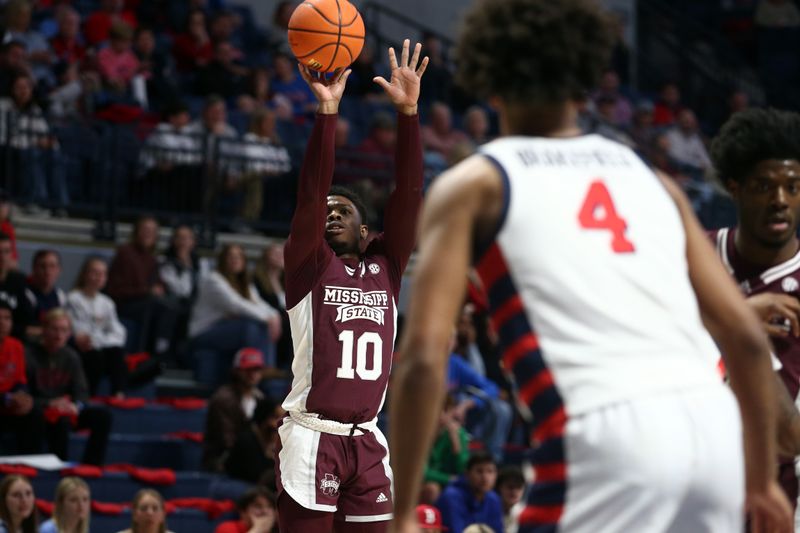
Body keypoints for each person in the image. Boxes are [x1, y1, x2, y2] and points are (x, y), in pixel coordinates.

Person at [388, 1, 792, 533]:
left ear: (488, 82)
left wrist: (402, 513)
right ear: (586, 86)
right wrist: (762, 482)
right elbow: (743, 335)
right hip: (714, 430)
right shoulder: (653, 178)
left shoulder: (476, 184)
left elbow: (422, 357)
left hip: (606, 436)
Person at [277, 39, 427, 531]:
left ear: (367, 233)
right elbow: (310, 192)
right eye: (326, 212)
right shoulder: (309, 267)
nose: (329, 213)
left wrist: (408, 114)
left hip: (366, 441)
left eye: (342, 210)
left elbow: (408, 194)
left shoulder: (387, 266)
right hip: (312, 438)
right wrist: (327, 110)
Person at [708, 107, 800, 521]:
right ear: (735, 188)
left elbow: (786, 437)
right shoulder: (695, 257)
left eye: (793, 187)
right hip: (696, 488)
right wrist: (738, 320)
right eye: (764, 186)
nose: (780, 200)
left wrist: (741, 338)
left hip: (779, 498)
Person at [27, 309, 112, 465]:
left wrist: (76, 406)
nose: (59, 335)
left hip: (65, 409)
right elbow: (23, 395)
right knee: (58, 420)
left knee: (103, 417)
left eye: (64, 330)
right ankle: (58, 465)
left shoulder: (71, 356)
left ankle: (91, 466)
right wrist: (49, 403)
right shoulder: (29, 354)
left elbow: (82, 392)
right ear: (44, 330)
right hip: (39, 409)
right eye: (55, 329)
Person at [189, 245, 280, 384]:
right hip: (204, 332)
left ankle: (264, 367)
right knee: (250, 327)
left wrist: (274, 316)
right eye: (230, 257)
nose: (235, 260)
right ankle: (258, 366)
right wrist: (268, 319)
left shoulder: (244, 283)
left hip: (226, 328)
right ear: (223, 260)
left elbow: (259, 303)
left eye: (238, 257)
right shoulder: (213, 279)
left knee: (258, 325)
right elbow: (236, 305)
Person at [106, 216, 177, 358]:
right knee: (152, 306)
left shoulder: (152, 258)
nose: (148, 234)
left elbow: (156, 282)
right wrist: (147, 291)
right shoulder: (125, 252)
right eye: (145, 230)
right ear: (136, 232)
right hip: (124, 303)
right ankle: (144, 355)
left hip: (144, 301)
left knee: (171, 304)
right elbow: (116, 290)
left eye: (152, 231)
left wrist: (160, 287)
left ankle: (162, 349)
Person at [66, 257, 127, 397]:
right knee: (95, 356)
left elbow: (119, 333)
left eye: (102, 273)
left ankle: (118, 394)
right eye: (94, 272)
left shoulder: (107, 303)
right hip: (81, 347)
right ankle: (88, 395)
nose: (98, 277)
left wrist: (101, 341)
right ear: (85, 274)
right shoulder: (73, 298)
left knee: (116, 352)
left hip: (99, 345)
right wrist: (99, 339)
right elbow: (79, 331)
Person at [202, 347, 268, 472]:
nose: (252, 374)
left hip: (251, 456)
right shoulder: (223, 399)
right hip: (222, 460)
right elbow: (226, 441)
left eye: (257, 369)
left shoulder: (260, 398)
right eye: (247, 369)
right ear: (236, 371)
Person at [0, 301, 43, 454]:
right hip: (4, 401)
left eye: (7, 318)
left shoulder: (16, 345)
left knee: (34, 411)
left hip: (9, 404)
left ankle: (29, 464)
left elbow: (20, 380)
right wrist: (8, 398)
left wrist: (22, 396)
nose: (2, 323)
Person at [435, 451, 503, 533]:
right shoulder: (451, 497)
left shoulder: (494, 499)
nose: (485, 477)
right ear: (467, 474)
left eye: (490, 471)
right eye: (479, 471)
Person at [225, 396, 285, 488]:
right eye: (275, 417)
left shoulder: (279, 441)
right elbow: (259, 477)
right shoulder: (246, 441)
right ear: (263, 417)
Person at [421, 394, 469, 505]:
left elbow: (463, 469)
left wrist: (456, 444)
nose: (441, 414)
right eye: (437, 409)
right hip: (423, 483)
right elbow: (421, 473)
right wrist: (450, 479)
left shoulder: (458, 433)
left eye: (446, 410)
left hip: (450, 484)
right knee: (432, 489)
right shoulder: (418, 432)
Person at [25, 249, 66, 340]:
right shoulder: (25, 295)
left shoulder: (60, 296)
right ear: (34, 269)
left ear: (59, 270)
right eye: (43, 266)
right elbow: (21, 329)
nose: (47, 271)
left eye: (52, 266)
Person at [0, 234, 32, 341]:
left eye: (7, 251)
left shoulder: (19, 281)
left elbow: (27, 318)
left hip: (15, 341)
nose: (2, 257)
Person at [495, 466, 525, 533]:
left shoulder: (524, 514)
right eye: (510, 487)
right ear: (499, 488)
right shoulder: (489, 511)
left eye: (519, 487)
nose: (514, 492)